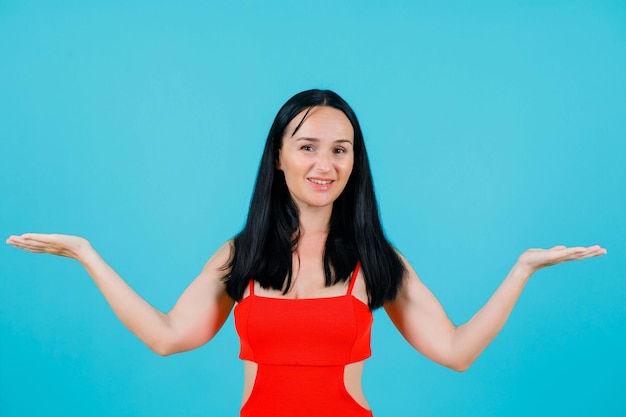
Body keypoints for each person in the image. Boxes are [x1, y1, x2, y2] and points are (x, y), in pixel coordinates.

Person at [6, 89, 606, 417]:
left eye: (341, 150)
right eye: (309, 146)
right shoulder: (240, 255)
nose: (326, 164)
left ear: (354, 163)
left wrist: (522, 270)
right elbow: (168, 336)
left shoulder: (374, 257)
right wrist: (89, 256)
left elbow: (455, 351)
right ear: (279, 156)